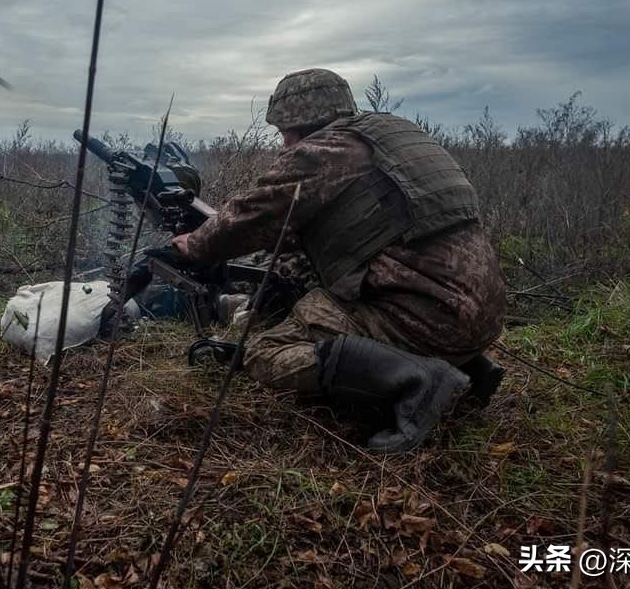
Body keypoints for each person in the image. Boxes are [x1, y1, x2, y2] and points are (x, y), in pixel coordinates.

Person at [169, 68, 507, 453]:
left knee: (265, 352)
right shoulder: (390, 136)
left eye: (284, 135)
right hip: (480, 311)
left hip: (428, 317)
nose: (284, 146)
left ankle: (422, 381)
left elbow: (254, 214)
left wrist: (194, 245)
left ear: (299, 124)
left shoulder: (325, 151)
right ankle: (467, 366)